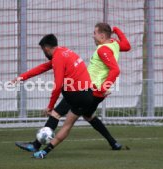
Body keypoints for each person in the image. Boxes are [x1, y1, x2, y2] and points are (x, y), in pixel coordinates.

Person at [15, 23, 131, 157]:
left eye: (95, 33)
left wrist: (104, 87)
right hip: (91, 91)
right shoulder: (114, 44)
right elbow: (127, 46)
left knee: (58, 114)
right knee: (88, 116)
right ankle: (113, 142)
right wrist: (116, 30)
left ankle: (36, 145)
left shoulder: (102, 50)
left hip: (87, 89)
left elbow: (115, 69)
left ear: (102, 35)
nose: (93, 36)